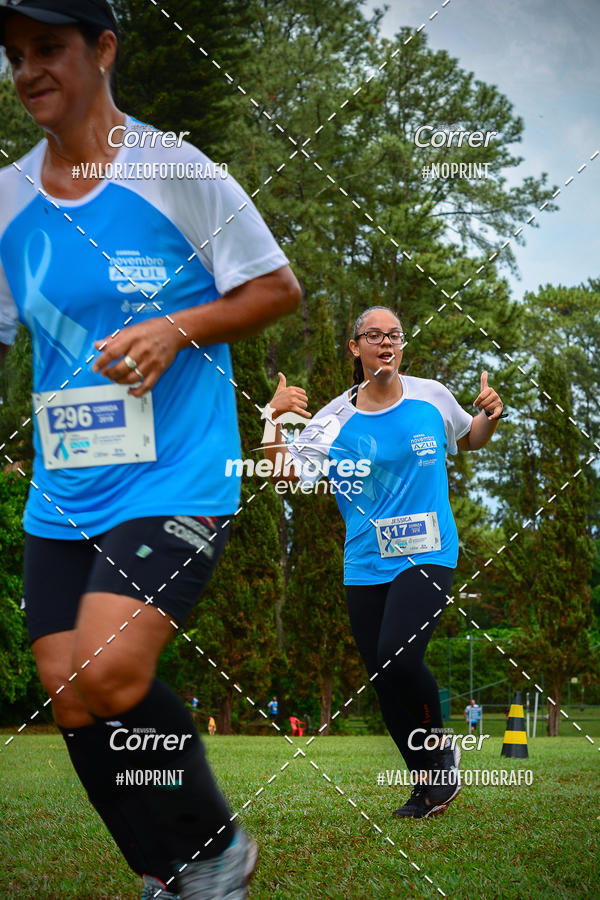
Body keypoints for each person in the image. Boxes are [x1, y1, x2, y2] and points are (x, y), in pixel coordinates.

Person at [0, 2, 301, 898]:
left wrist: (178, 325)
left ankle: (217, 854)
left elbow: (276, 288)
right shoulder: (8, 197)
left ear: (103, 49)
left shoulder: (173, 168)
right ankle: (166, 870)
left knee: (111, 666)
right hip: (64, 487)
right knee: (67, 688)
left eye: (47, 49)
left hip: (177, 470)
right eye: (13, 57)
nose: (26, 72)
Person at [264, 305, 504, 819]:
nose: (385, 342)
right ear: (356, 348)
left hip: (430, 551)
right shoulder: (332, 419)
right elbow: (284, 479)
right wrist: (271, 418)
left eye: (394, 334)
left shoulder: (432, 396)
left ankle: (439, 755)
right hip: (366, 562)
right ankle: (428, 786)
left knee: (399, 654)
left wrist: (489, 415)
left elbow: (469, 440)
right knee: (384, 678)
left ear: (402, 345)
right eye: (373, 335)